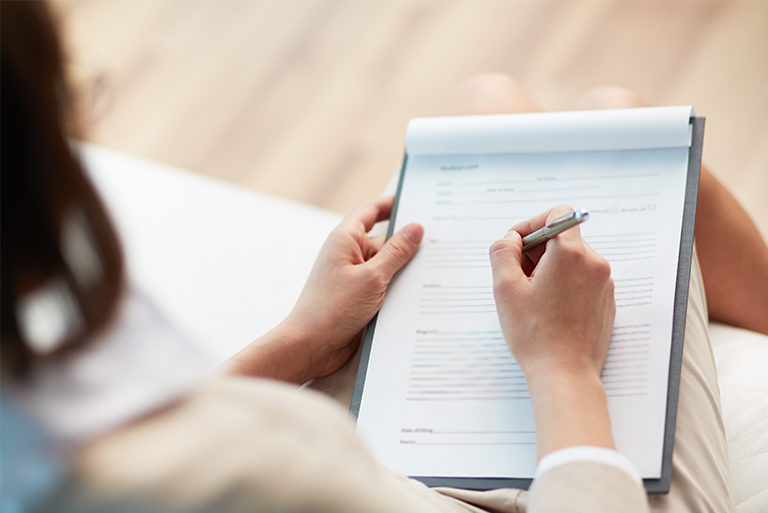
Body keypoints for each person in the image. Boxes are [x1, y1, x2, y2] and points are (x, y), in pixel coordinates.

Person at [2, 3, 768, 513]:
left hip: (395, 478)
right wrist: (563, 365)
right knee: (624, 127)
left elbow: (128, 431)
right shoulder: (220, 477)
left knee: (487, 101)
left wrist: (298, 339)